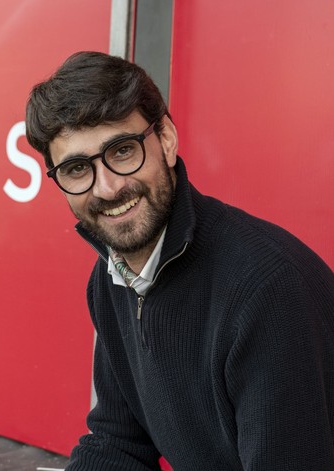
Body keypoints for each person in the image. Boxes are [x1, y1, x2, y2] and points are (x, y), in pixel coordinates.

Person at [25, 51, 334, 470]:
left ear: (166, 139)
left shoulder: (266, 291)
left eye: (121, 151)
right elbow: (119, 441)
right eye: (78, 169)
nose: (108, 188)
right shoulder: (112, 276)